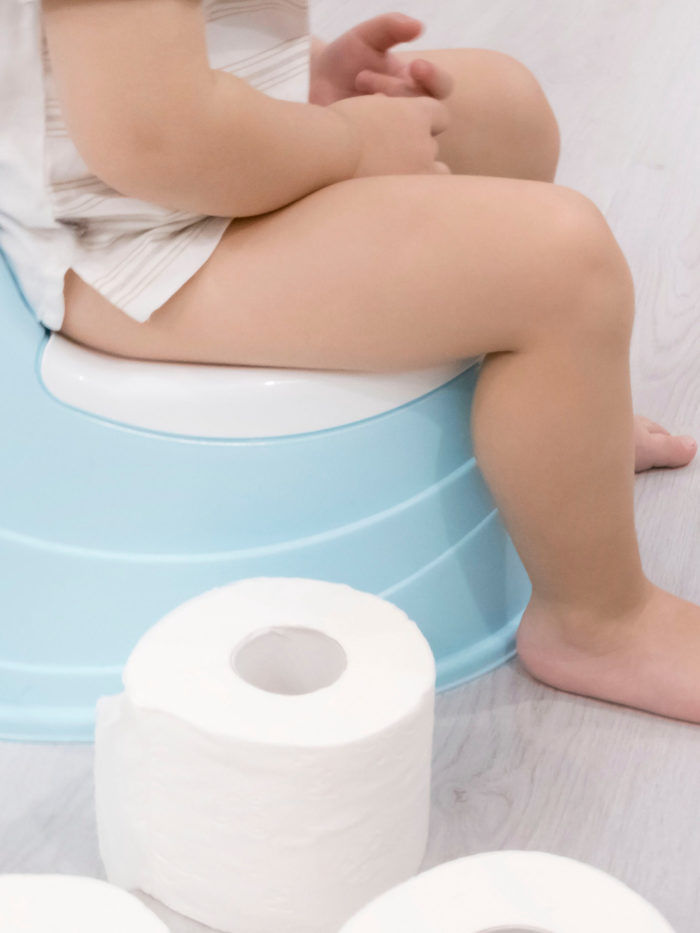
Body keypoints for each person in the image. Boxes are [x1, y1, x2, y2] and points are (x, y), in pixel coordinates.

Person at [23, 2, 700, 719]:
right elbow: (152, 137)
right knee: (563, 266)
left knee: (505, 109)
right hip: (134, 250)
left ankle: (562, 430)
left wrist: (300, 79)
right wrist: (343, 142)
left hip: (199, 181)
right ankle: (597, 622)